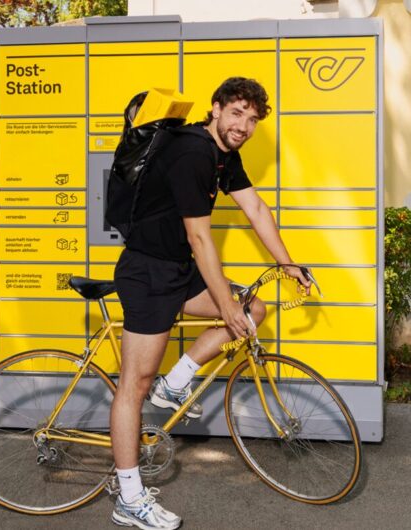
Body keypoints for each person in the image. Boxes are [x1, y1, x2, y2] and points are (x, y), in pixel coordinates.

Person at [108, 77, 311, 529]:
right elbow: (201, 238)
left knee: (253, 308)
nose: (245, 125)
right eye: (237, 113)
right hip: (148, 274)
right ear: (215, 109)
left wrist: (289, 264)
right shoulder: (193, 152)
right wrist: (225, 305)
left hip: (177, 270)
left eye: (253, 118)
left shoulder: (224, 155)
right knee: (133, 386)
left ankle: (175, 383)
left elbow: (255, 208)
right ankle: (128, 495)